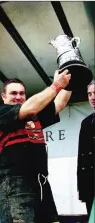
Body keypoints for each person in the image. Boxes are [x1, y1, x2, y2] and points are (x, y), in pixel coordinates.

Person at [0, 69, 72, 223]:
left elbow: (59, 104)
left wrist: (70, 82)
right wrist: (56, 85)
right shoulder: (0, 112)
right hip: (15, 182)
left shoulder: (34, 115)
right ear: (3, 96)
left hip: (40, 182)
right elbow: (30, 108)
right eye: (13, 93)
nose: (18, 97)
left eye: (22, 93)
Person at [77, 80, 95, 218]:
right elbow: (81, 157)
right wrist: (81, 188)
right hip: (90, 184)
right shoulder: (86, 123)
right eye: (89, 94)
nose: (92, 97)